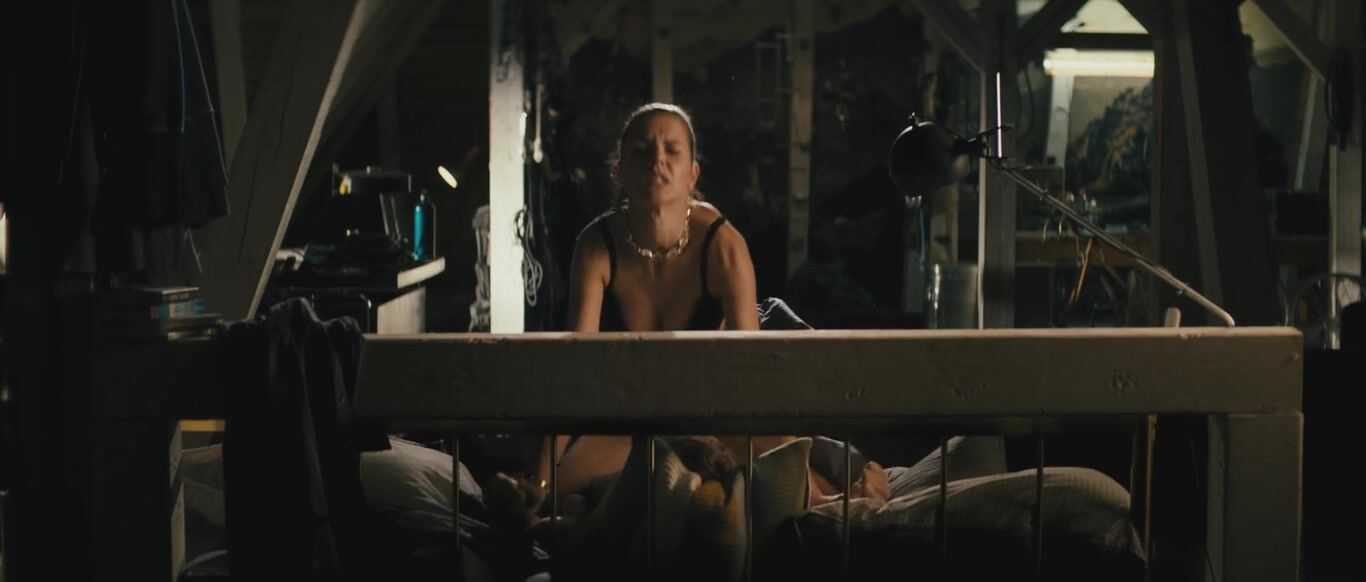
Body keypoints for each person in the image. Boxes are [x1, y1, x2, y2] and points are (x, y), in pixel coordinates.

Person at [543, 103, 888, 514]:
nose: (657, 160)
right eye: (641, 150)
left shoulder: (723, 244)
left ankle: (839, 498)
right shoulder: (596, 245)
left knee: (789, 472)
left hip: (713, 413)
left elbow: (750, 375)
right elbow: (576, 374)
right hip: (628, 419)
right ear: (619, 170)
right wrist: (541, 475)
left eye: (672, 150)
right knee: (553, 487)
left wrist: (740, 443)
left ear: (692, 174)